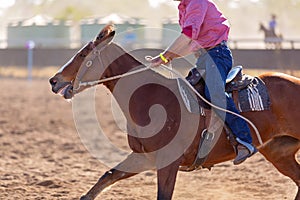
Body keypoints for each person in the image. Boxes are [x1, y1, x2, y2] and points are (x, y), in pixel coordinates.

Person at [149, 0, 257, 165]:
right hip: (206, 57)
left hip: (217, 55)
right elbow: (190, 44)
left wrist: (165, 56)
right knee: (189, 94)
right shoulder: (185, 8)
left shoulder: (197, 2)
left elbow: (188, 34)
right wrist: (167, 57)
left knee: (214, 93)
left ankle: (244, 140)